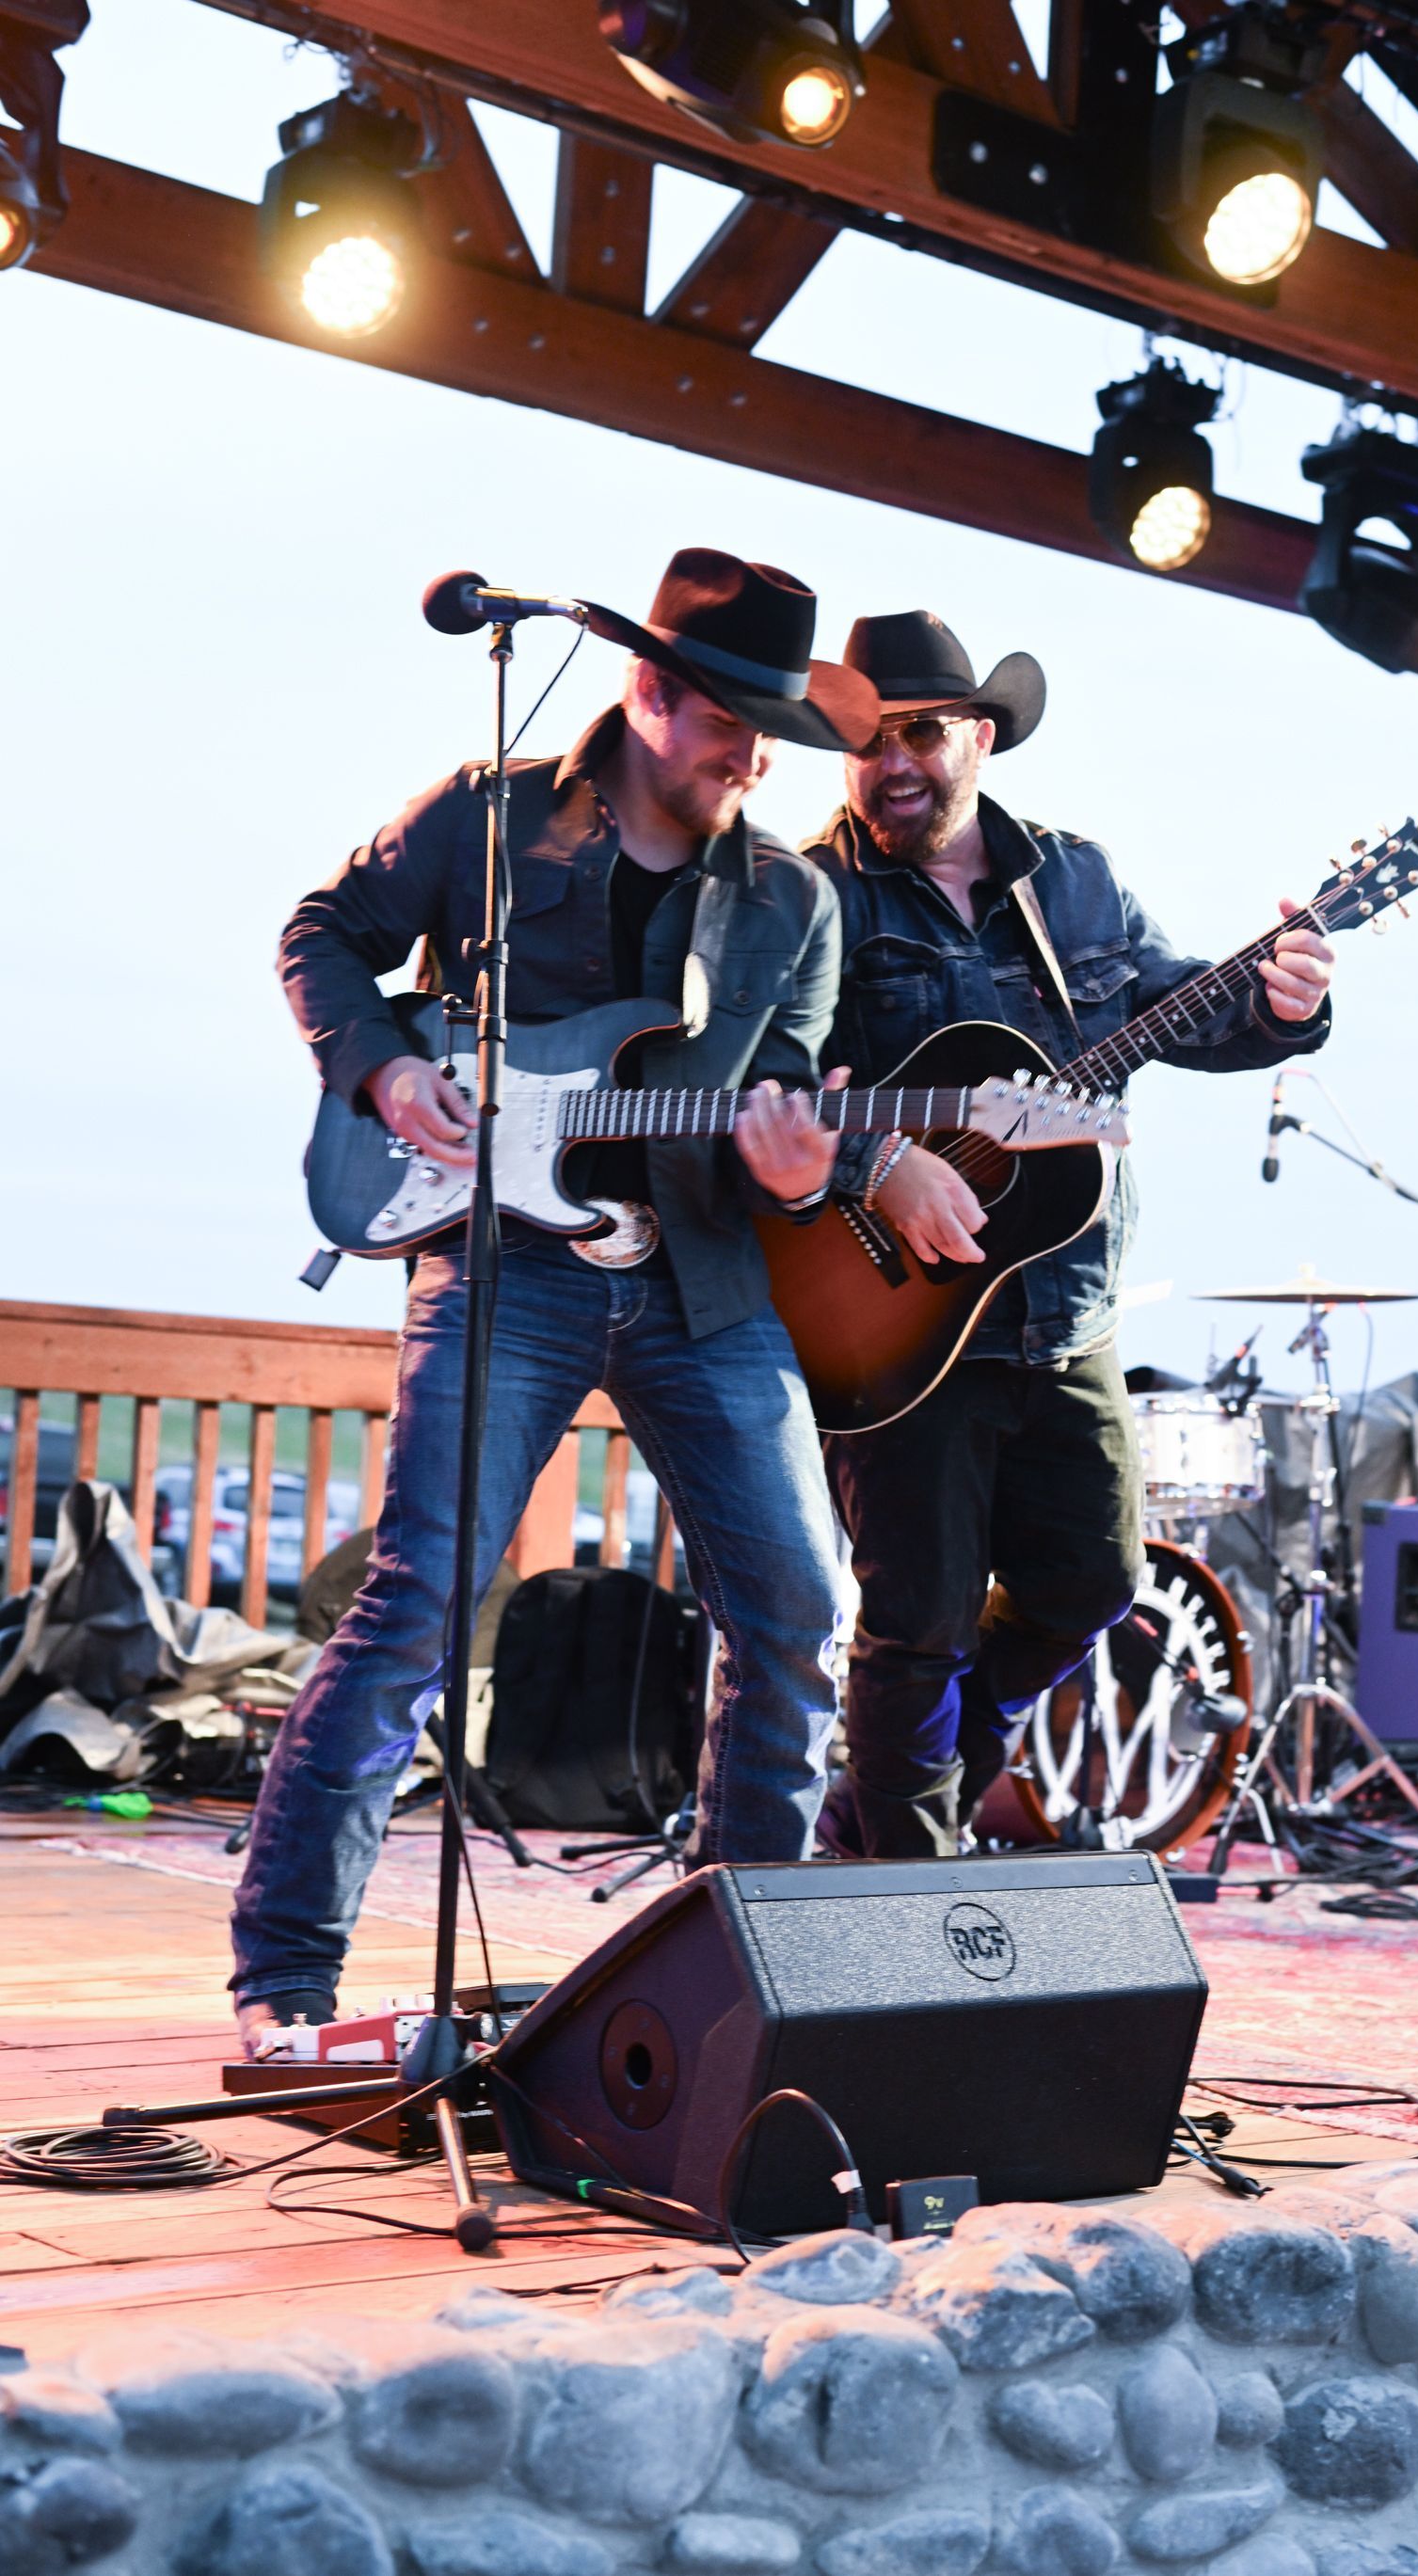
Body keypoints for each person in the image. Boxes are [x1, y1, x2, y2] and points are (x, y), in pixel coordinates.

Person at [231, 549, 878, 2054]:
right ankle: (284, 1988)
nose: (758, 751)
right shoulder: (488, 813)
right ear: (650, 690)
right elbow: (320, 934)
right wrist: (385, 1068)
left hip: (695, 1280)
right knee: (420, 1606)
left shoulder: (789, 902)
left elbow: (781, 1104)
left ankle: (736, 1993)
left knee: (796, 1610)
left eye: (776, 724)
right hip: (502, 1267)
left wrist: (797, 1178)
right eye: (735, 716)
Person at [805, 611, 1336, 1858]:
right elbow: (752, 1092)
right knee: (915, 1618)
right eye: (865, 741)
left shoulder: (1075, 879)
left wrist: (1283, 1006)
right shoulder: (806, 895)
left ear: (980, 737)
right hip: (895, 1315)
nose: (892, 763)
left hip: (1060, 1310)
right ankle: (893, 1887)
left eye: (920, 734)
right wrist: (876, 1169)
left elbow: (1171, 1007)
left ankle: (889, 1811)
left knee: (1092, 1585)